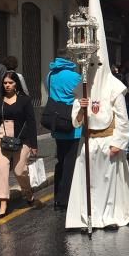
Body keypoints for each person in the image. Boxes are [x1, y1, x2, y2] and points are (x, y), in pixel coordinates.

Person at [66, 0, 129, 230]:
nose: (93, 70)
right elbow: (75, 120)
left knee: (107, 181)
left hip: (108, 143)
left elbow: (123, 119)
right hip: (89, 142)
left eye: (97, 65)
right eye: (90, 66)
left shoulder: (115, 87)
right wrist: (81, 109)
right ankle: (87, 216)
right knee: (89, 181)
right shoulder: (82, 87)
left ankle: (108, 216)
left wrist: (119, 142)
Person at [0, 72, 39, 218]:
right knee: (1, 168)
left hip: (21, 138)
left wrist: (33, 144)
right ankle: (3, 201)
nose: (7, 85)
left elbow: (31, 122)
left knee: (19, 171)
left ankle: (28, 191)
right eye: (5, 83)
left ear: (16, 83)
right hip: (2, 137)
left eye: (10, 82)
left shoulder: (25, 100)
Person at [47, 50, 82, 211]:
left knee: (60, 161)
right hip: (73, 123)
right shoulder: (75, 77)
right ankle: (67, 199)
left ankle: (57, 198)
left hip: (57, 122)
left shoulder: (50, 75)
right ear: (71, 59)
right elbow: (82, 97)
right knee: (71, 162)